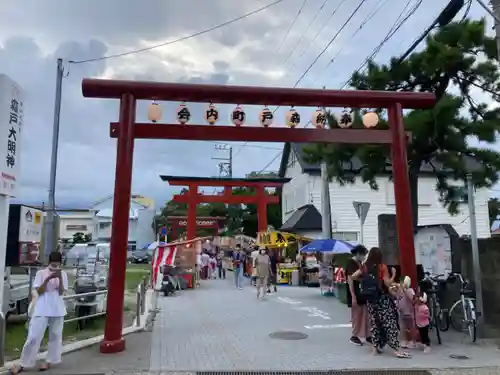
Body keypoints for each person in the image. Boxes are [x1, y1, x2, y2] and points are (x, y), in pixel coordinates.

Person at [11, 251, 69, 374]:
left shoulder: (63, 274)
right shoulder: (40, 273)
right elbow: (40, 291)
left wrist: (59, 278)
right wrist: (48, 278)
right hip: (42, 306)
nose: (55, 267)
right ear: (49, 262)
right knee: (33, 336)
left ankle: (50, 361)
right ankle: (24, 363)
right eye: (53, 264)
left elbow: (61, 292)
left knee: (56, 335)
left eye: (57, 264)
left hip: (57, 308)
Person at [351, 247, 410, 359]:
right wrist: (393, 275)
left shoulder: (365, 267)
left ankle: (375, 349)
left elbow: (353, 276)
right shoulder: (382, 267)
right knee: (389, 323)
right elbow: (387, 284)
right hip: (382, 299)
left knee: (374, 324)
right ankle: (397, 350)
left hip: (370, 300)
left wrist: (363, 280)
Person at [345, 245, 371, 346]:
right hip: (355, 292)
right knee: (357, 315)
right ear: (358, 254)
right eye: (363, 255)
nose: (364, 257)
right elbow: (350, 279)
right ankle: (354, 335)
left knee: (364, 314)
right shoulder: (350, 263)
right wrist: (353, 296)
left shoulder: (359, 263)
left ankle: (366, 335)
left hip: (361, 292)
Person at [396, 276, 417, 349]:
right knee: (403, 327)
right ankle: (404, 340)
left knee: (411, 327)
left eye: (402, 282)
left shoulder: (410, 291)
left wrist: (405, 291)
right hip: (401, 312)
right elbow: (398, 299)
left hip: (409, 312)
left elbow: (412, 300)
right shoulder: (399, 291)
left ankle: (412, 341)